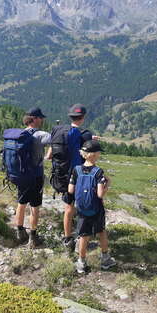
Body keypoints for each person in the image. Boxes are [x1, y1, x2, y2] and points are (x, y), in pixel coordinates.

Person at [48, 103, 95, 250]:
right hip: (78, 177)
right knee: (82, 207)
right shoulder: (84, 134)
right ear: (83, 118)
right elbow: (90, 157)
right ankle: (82, 238)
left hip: (61, 175)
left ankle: (67, 238)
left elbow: (49, 156)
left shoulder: (58, 131)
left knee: (69, 207)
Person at [68, 140, 116, 274]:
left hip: (82, 209)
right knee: (101, 232)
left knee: (83, 235)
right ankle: (105, 259)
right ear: (94, 155)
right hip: (96, 208)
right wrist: (108, 184)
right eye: (99, 152)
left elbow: (70, 190)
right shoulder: (98, 172)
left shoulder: (76, 170)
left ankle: (81, 263)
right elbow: (100, 194)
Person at [14, 107, 51, 248]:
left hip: (21, 175)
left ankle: (19, 231)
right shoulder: (40, 134)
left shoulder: (20, 134)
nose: (42, 120)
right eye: (40, 118)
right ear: (34, 118)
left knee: (21, 203)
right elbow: (57, 140)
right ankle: (33, 237)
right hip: (35, 176)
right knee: (35, 206)